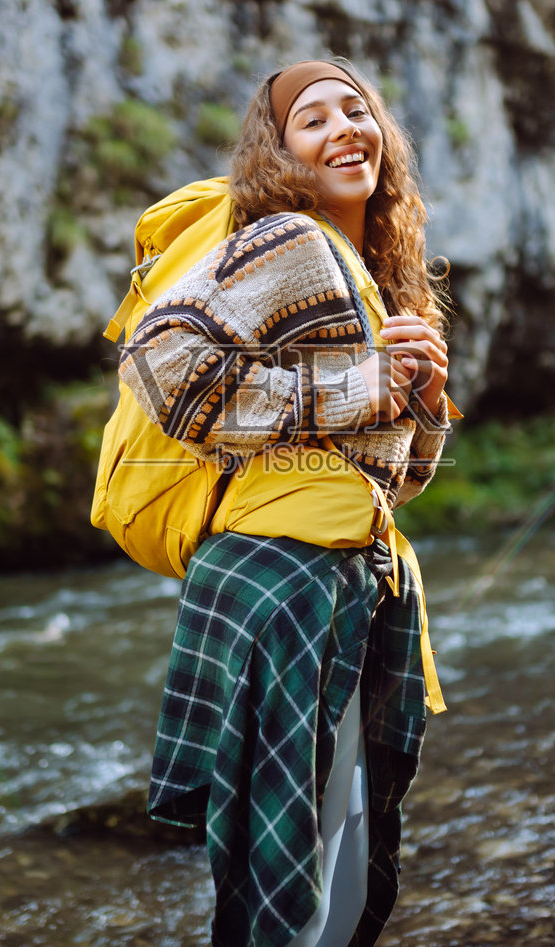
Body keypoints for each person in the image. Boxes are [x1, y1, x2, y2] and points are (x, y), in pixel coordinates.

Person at [120, 58, 454, 947]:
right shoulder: (285, 242)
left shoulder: (381, 276)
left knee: (343, 845)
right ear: (282, 154)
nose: (346, 127)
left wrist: (418, 400)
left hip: (352, 571)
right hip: (279, 574)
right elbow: (158, 361)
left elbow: (401, 479)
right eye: (314, 119)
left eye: (359, 110)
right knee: (287, 858)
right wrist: (356, 386)